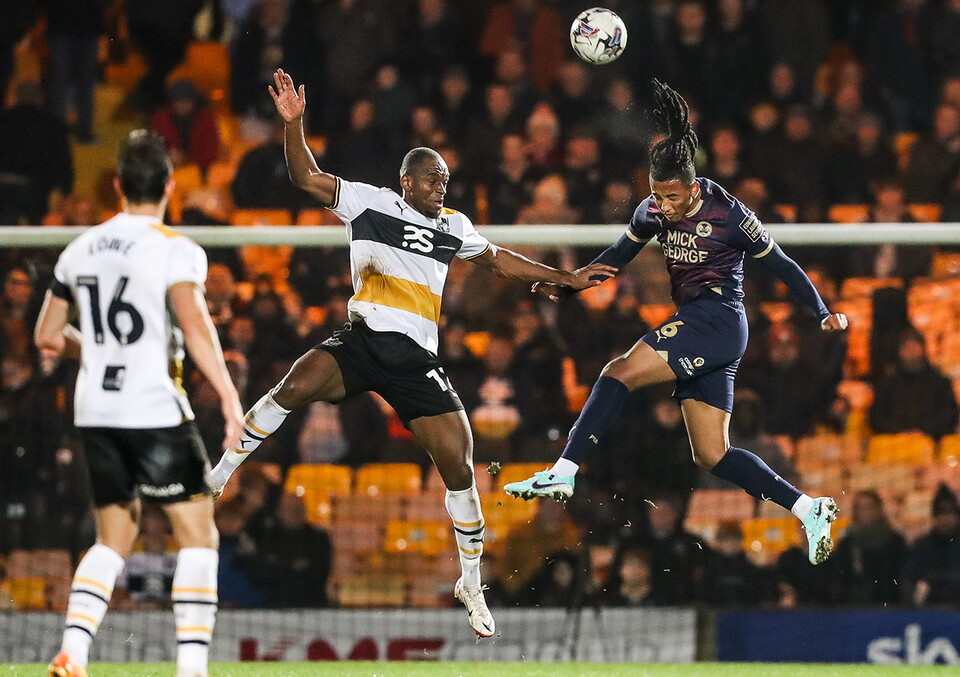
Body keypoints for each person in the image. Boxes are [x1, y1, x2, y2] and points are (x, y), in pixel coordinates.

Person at [207, 69, 614, 638]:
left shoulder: (455, 226)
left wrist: (564, 276)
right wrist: (294, 124)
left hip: (416, 361)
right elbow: (304, 176)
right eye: (431, 178)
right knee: (293, 386)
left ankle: (471, 583)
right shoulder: (369, 203)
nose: (441, 187)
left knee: (460, 464)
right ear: (406, 181)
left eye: (445, 179)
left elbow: (500, 260)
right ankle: (219, 476)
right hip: (362, 340)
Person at [505, 80, 848, 567]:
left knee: (618, 371)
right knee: (712, 455)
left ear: (693, 186)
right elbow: (618, 256)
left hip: (718, 320)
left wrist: (821, 311)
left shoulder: (730, 214)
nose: (661, 206)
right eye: (655, 195)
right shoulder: (651, 209)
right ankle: (809, 508)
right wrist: (569, 284)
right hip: (697, 323)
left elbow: (782, 265)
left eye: (669, 196)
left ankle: (564, 470)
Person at [35, 130, 244, 677]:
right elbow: (194, 325)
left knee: (114, 536)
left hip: (95, 410)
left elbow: (47, 335)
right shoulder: (176, 249)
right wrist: (228, 396)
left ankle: (73, 651)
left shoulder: (79, 249)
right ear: (171, 186)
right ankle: (192, 668)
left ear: (118, 186)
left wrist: (98, 349)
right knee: (198, 535)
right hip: (152, 407)